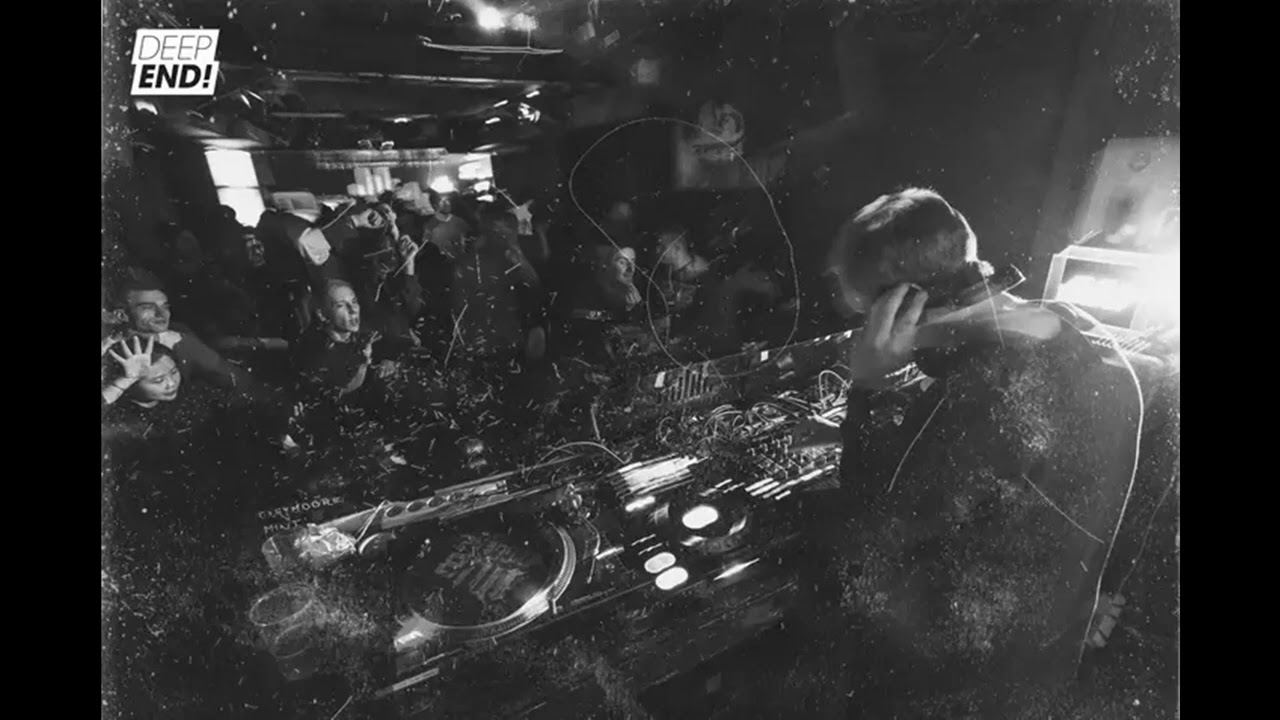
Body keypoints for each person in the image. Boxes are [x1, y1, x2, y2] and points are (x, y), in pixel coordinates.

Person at [764, 188, 1143, 717]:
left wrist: (870, 385)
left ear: (900, 309)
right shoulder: (1076, 330)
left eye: (865, 320)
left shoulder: (979, 393)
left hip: (955, 686)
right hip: (1044, 656)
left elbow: (871, 530)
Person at [106, 272, 254, 394]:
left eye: (165, 306)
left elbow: (236, 378)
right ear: (121, 315)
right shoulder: (107, 343)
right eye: (148, 307)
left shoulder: (181, 342)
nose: (162, 314)